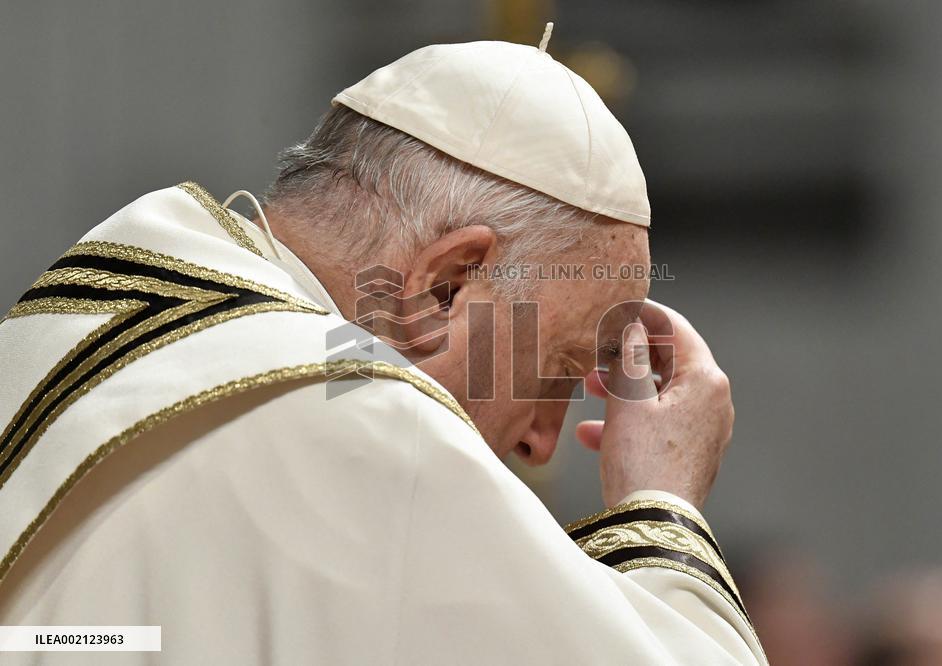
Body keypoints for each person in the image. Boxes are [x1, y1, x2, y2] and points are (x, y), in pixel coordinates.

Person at [0, 29, 767, 665]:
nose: (541, 442)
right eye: (556, 373)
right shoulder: (368, 428)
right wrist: (660, 507)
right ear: (446, 286)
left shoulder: (99, 313)